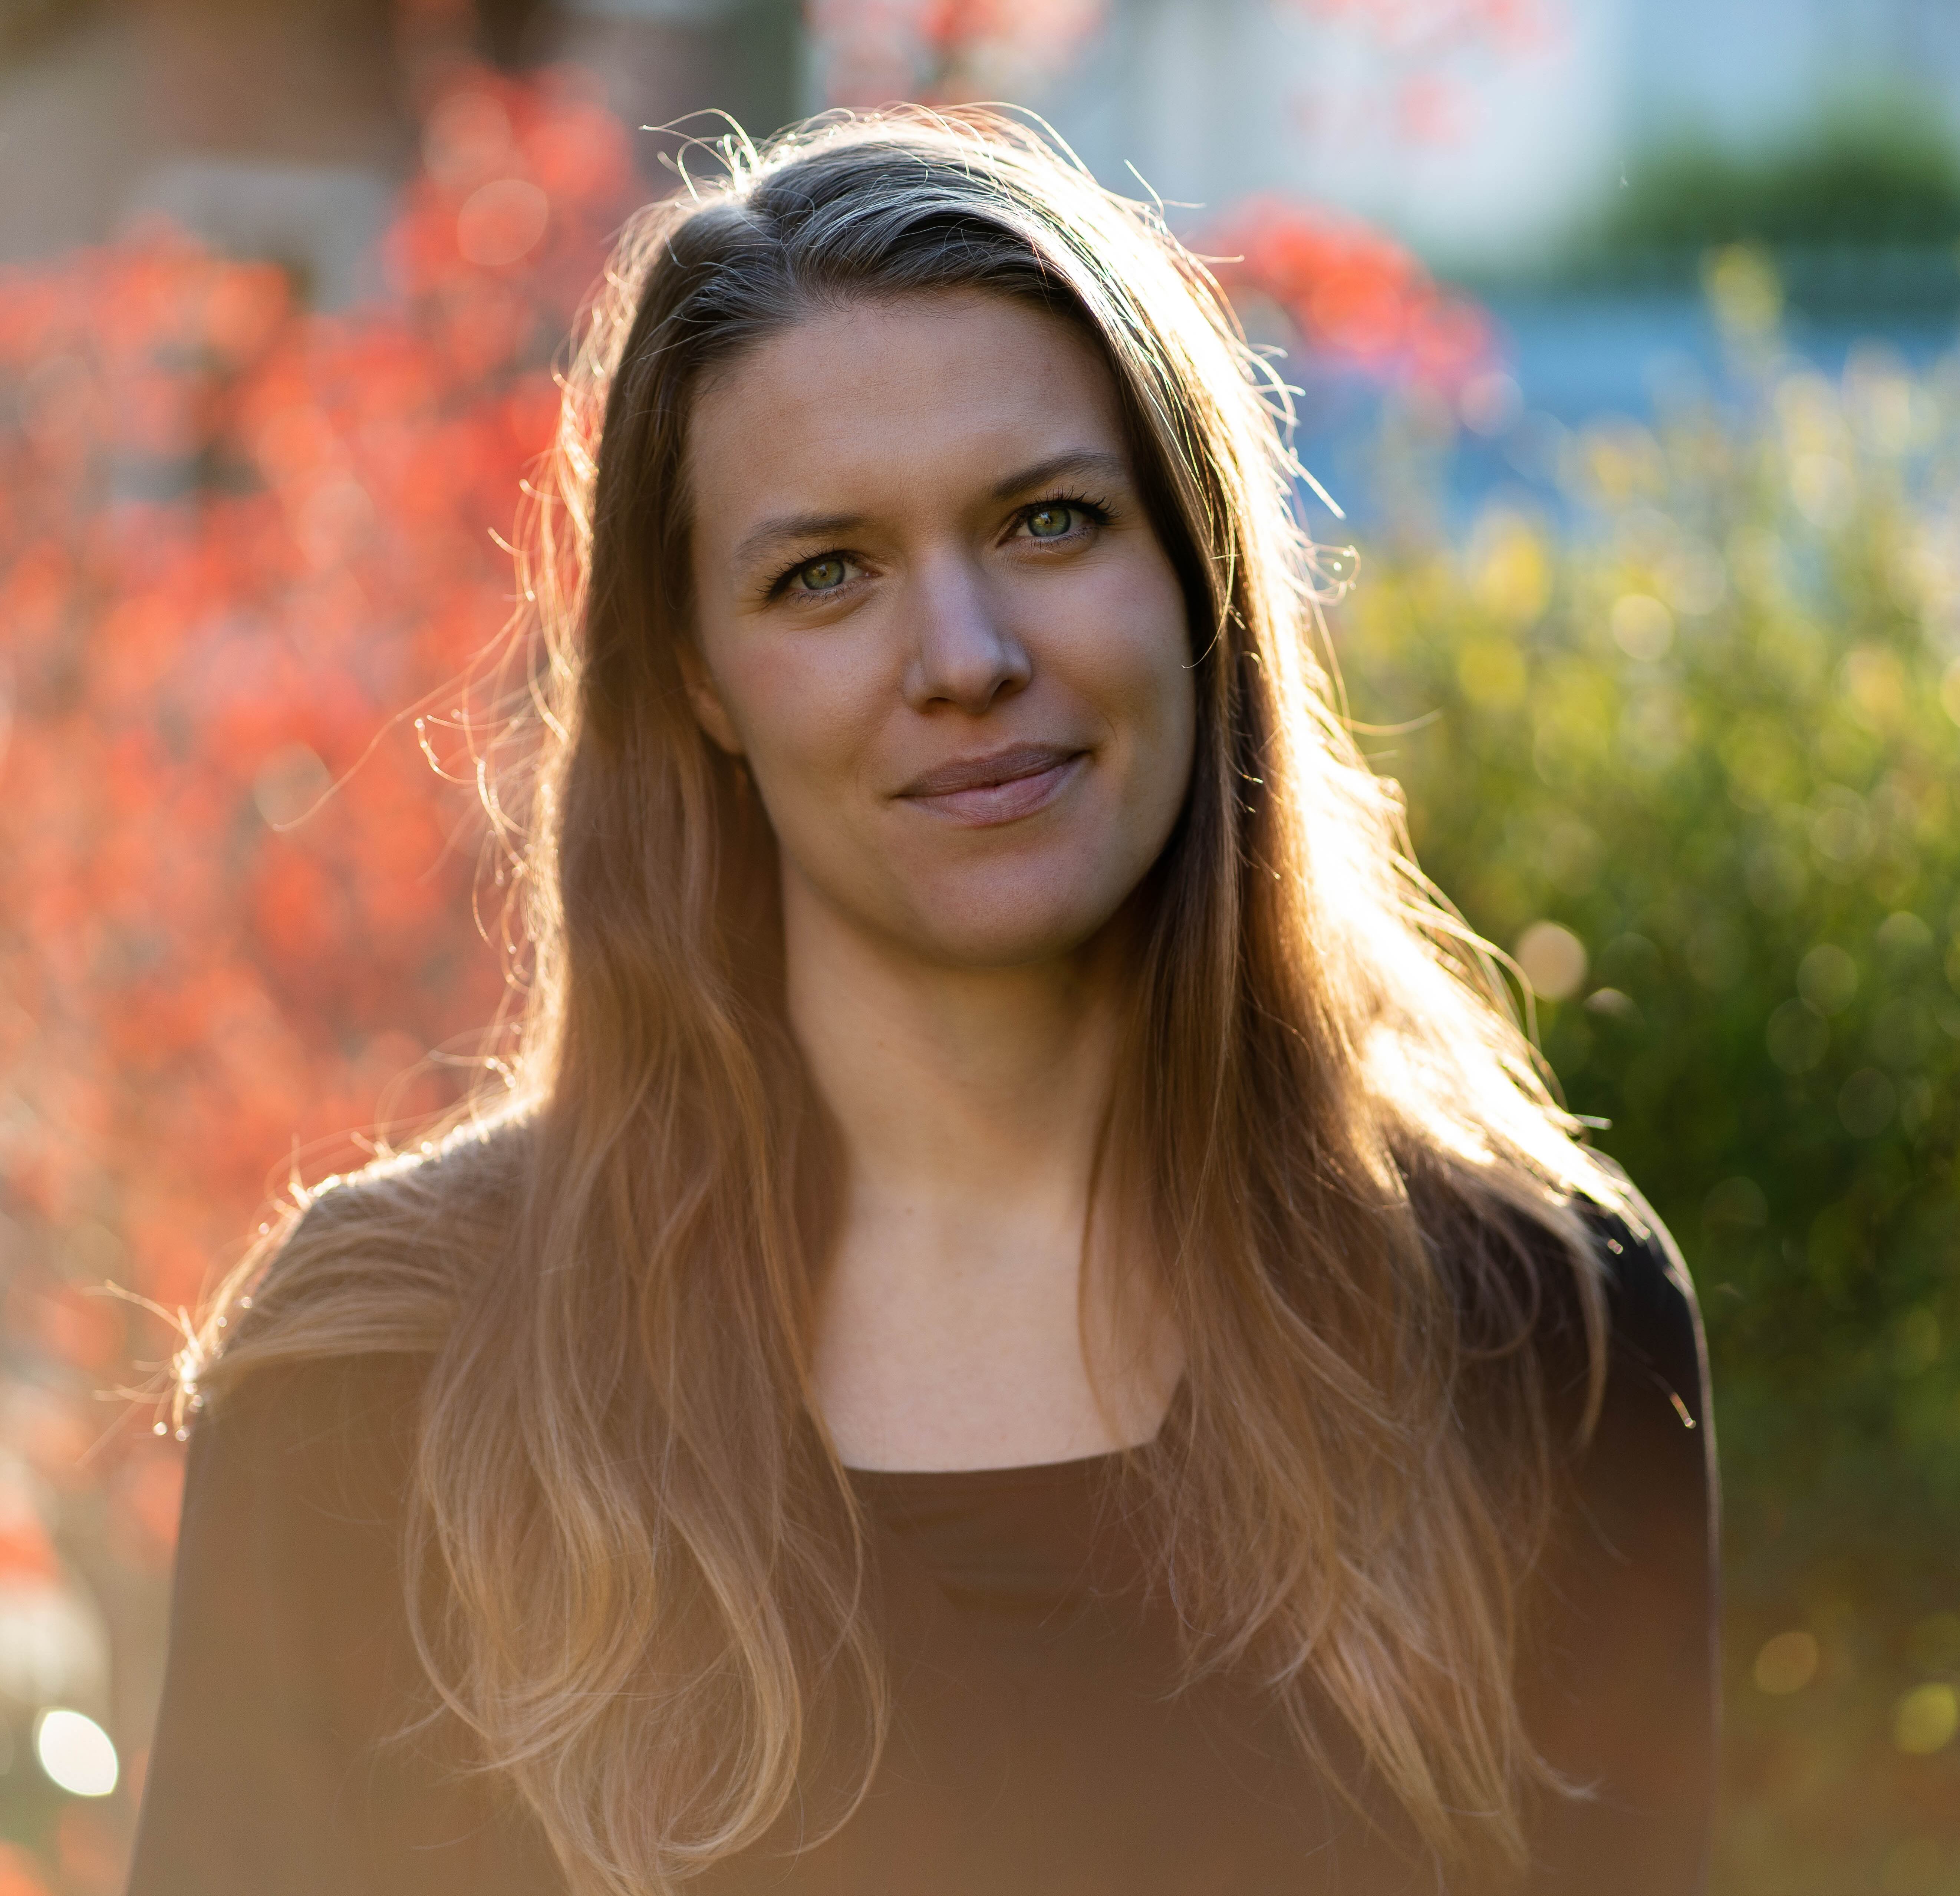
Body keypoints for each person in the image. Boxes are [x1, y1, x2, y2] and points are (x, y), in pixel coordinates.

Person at [126, 110, 1716, 1896]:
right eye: (825, 573)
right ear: (700, 682)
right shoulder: (383, 1379)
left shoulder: (1531, 1320)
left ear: (1194, 574)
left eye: (1047, 522)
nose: (963, 657)